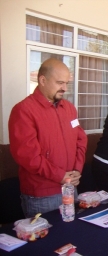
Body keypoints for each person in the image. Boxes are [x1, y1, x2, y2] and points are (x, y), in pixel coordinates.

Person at [9, 58, 87, 218]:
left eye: (66, 83)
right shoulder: (24, 111)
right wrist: (61, 176)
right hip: (42, 195)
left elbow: (81, 139)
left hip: (70, 187)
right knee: (49, 242)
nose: (64, 88)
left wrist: (76, 170)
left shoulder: (69, 108)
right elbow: (28, 157)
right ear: (42, 80)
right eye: (60, 83)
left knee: (74, 237)